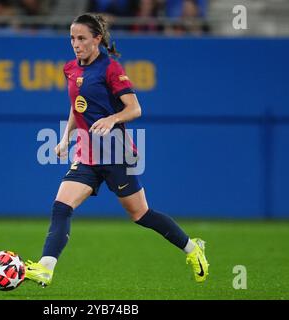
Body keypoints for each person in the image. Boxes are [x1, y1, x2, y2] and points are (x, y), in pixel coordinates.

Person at [24, 12, 209, 286]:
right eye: (72, 38)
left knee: (141, 214)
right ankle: (45, 269)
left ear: (97, 39)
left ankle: (193, 249)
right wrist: (65, 138)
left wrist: (111, 119)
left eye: (82, 38)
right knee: (61, 207)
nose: (76, 44)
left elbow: (135, 109)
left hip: (115, 152)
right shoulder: (70, 69)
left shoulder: (110, 68)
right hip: (87, 154)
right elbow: (78, 107)